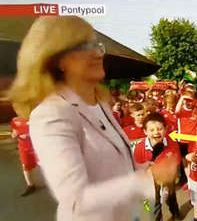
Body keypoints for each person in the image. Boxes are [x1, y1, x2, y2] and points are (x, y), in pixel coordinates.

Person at [7, 16, 177, 221]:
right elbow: (76, 201)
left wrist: (145, 169)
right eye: (83, 46)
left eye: (97, 44)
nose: (98, 53)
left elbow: (113, 167)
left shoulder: (99, 104)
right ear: (57, 59)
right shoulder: (50, 115)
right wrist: (148, 179)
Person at [133, 112, 183, 221]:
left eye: (159, 129)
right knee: (154, 203)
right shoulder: (140, 148)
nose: (156, 132)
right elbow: (138, 168)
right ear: (145, 132)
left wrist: (170, 175)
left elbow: (176, 161)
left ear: (165, 129)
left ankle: (175, 212)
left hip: (167, 176)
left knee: (171, 196)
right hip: (150, 179)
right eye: (151, 130)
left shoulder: (172, 144)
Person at [175, 91, 197, 186]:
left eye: (190, 101)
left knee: (192, 161)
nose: (188, 103)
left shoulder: (195, 111)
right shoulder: (181, 111)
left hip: (193, 141)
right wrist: (182, 98)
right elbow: (176, 111)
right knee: (185, 162)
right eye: (186, 100)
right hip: (182, 141)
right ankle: (189, 181)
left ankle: (193, 180)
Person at [11, 116, 38, 196]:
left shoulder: (35, 117)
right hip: (23, 147)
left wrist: (28, 135)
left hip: (36, 146)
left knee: (44, 165)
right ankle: (30, 185)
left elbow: (42, 131)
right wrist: (14, 134)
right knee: (25, 165)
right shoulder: (15, 120)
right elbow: (14, 131)